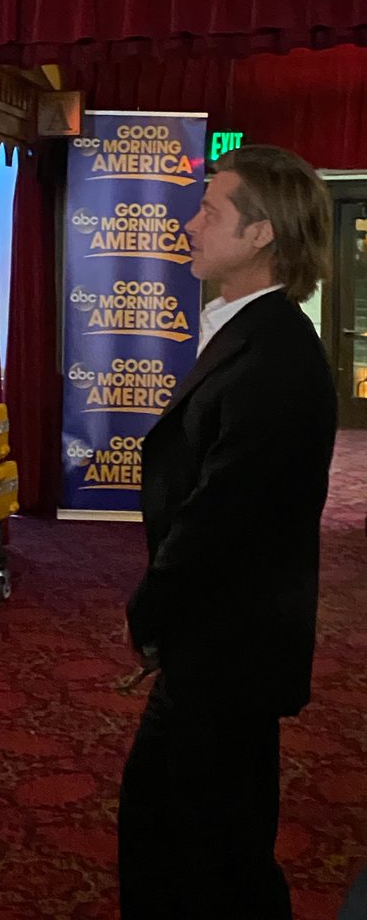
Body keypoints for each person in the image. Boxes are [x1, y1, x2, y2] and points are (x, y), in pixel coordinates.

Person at [119, 145, 337, 920]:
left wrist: (152, 612)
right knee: (180, 834)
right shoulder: (246, 330)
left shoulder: (276, 355)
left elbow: (224, 517)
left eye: (211, 211)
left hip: (230, 647)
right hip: (213, 639)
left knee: (216, 854)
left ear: (261, 234)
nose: (190, 223)